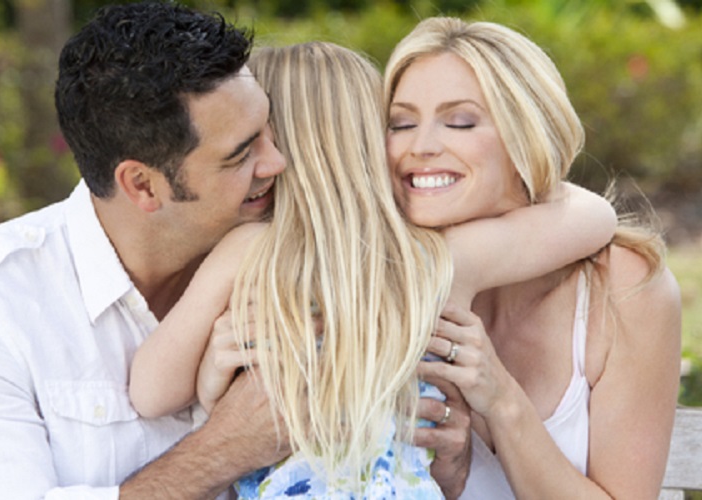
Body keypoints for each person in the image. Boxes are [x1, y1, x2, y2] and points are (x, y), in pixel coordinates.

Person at [128, 41, 617, 498]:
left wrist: (209, 382)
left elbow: (150, 393)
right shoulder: (436, 258)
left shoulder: (247, 252)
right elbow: (596, 217)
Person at [0, 3, 291, 499]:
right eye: (241, 153)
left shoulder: (285, 268)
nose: (277, 162)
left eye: (269, 132)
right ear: (143, 185)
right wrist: (225, 449)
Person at [384, 17, 682, 499]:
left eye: (460, 122)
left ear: (526, 135)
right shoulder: (374, 278)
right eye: (401, 124)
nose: (420, 147)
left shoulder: (623, 289)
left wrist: (501, 399)